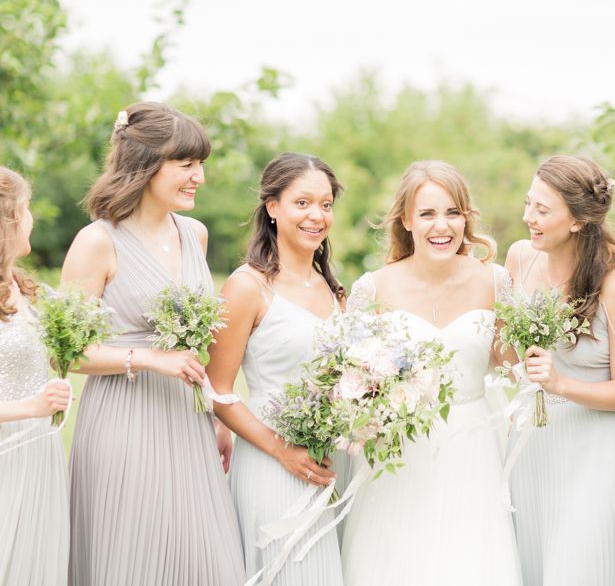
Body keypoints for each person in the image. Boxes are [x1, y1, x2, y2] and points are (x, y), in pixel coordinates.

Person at [61, 103, 245, 585]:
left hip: (188, 420)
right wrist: (147, 358)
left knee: (204, 560)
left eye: (200, 164)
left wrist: (218, 418)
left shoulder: (195, 235)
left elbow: (196, 342)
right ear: (145, 164)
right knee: (131, 555)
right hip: (121, 423)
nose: (199, 177)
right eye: (186, 165)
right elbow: (68, 351)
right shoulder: (97, 241)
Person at [340, 160, 522, 585]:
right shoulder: (374, 287)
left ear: (466, 218)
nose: (442, 226)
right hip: (400, 453)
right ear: (405, 220)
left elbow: (514, 367)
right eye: (427, 213)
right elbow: (350, 380)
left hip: (474, 446)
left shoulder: (495, 282)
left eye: (453, 212)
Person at [505, 155, 615, 586]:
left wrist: (560, 382)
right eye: (529, 204)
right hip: (533, 445)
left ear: (579, 220)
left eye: (543, 210)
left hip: (597, 453)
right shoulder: (520, 259)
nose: (529, 217)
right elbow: (508, 351)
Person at [207, 152, 345, 585]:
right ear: (273, 207)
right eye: (302, 203)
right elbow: (218, 391)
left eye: (325, 204)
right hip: (270, 461)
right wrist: (281, 449)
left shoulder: (335, 289)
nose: (317, 216)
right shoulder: (247, 286)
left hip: (330, 461)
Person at [0, 167, 71, 585]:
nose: (31, 219)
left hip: (40, 454)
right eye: (25, 210)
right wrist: (32, 405)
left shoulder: (29, 292)